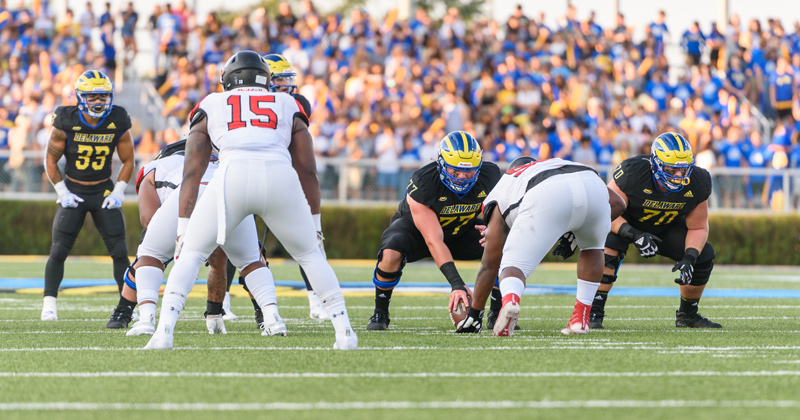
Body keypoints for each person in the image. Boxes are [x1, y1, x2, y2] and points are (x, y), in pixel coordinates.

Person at [144, 51, 356, 350]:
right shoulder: (288, 103)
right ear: (266, 79)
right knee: (311, 255)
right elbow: (308, 170)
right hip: (280, 178)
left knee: (190, 252)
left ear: (228, 80)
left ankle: (163, 331)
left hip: (232, 178)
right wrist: (315, 223)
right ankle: (344, 332)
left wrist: (182, 226)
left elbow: (193, 170)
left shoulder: (212, 102)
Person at [116, 139, 286, 336]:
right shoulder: (225, 163)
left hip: (189, 193)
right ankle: (273, 318)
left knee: (150, 254)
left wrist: (187, 244)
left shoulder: (154, 168)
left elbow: (149, 220)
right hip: (232, 191)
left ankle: (146, 320)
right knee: (251, 261)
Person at [456, 156, 626, 336]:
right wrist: (575, 233)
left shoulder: (505, 186)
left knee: (512, 264)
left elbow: (490, 263)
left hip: (547, 191)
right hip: (592, 182)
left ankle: (511, 300)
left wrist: (475, 315)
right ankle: (580, 319)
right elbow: (618, 204)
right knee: (593, 247)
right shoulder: (553, 163)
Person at [366, 131, 503, 331]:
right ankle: (380, 312)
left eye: (469, 171)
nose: (462, 177)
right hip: (418, 234)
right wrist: (457, 284)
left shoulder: (491, 175)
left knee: (502, 243)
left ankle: (497, 313)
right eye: (455, 171)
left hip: (461, 231)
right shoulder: (424, 182)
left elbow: (503, 212)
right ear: (441, 163)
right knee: (392, 249)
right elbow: (434, 240)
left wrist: (492, 225)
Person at [589, 133, 721, 329]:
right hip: (626, 223)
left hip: (664, 227)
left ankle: (688, 315)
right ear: (656, 163)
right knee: (610, 246)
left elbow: (698, 226)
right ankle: (593, 312)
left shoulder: (698, 180)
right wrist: (634, 234)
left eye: (683, 169)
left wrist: (689, 258)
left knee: (703, 255)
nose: (679, 175)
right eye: (671, 169)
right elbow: (605, 212)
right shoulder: (633, 172)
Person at [42, 70, 135, 321]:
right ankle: (49, 303)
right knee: (59, 250)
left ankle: (127, 306)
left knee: (119, 252)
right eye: (92, 96)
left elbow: (128, 160)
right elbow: (51, 158)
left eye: (103, 96)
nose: (98, 101)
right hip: (74, 189)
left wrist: (119, 191)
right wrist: (61, 191)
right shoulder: (66, 118)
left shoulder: (117, 118)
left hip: (104, 190)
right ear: (81, 97)